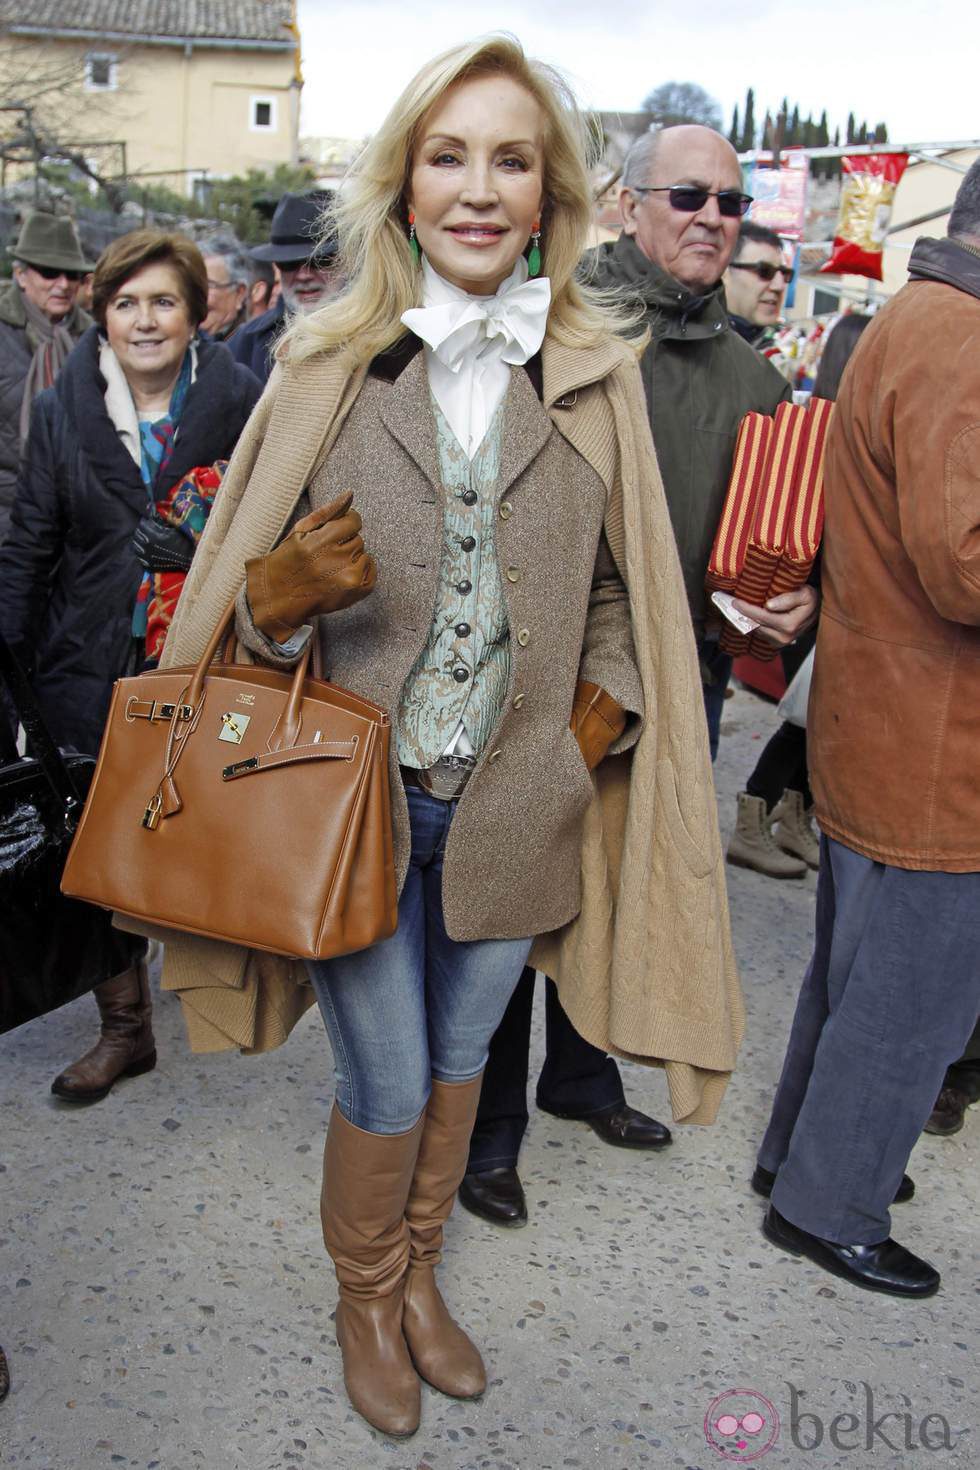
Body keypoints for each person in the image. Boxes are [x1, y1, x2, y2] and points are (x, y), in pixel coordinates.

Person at [156, 36, 741, 1438]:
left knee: (466, 1064)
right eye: (448, 155)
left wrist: (602, 708)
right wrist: (278, 601)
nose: (479, 188)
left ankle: (419, 1278)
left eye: (511, 158)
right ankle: (366, 1296)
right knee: (391, 1073)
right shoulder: (324, 368)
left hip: (520, 800)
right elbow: (240, 617)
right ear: (404, 186)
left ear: (548, 193)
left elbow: (622, 591)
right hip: (351, 805)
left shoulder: (593, 375)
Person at [461, 124, 810, 1230]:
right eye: (690, 195)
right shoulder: (551, 327)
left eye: (730, 204)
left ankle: (580, 1076)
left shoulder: (754, 375)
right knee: (515, 890)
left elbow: (773, 543)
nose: (712, 217)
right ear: (627, 202)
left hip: (681, 676)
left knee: (622, 877)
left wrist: (793, 600)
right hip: (541, 669)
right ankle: (487, 1130)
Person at [755, 161, 980, 1298]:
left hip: (886, 720)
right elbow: (963, 566)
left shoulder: (916, 316)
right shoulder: (965, 337)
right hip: (938, 745)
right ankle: (827, 1204)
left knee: (853, 983)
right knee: (912, 1001)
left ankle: (801, 1160)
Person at [0, 230, 262, 1104]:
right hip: (82, 657)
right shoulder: (64, 407)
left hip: (195, 661)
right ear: (101, 316)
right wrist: (7, 663)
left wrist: (196, 544)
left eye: (162, 302)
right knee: (89, 842)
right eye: (125, 303)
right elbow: (31, 539)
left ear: (196, 314)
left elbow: (284, 522)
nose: (143, 320)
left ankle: (229, 995)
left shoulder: (241, 401)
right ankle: (126, 1028)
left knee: (184, 835)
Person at [727, 312, 872, 881]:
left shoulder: (844, 423)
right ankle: (754, 819)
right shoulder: (825, 428)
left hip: (817, 592)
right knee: (803, 717)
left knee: (817, 718)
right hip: (804, 592)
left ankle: (792, 819)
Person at [0, 210, 92, 539]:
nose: (63, 284)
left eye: (72, 274)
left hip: (75, 525)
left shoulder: (97, 337)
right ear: (21, 275)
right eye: (50, 272)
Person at [230, 191, 343, 382]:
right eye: (289, 263)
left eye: (319, 260)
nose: (304, 275)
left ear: (347, 259)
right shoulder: (246, 342)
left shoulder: (380, 337)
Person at [723, 220, 793, 348]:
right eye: (764, 271)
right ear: (724, 274)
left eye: (784, 273)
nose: (779, 286)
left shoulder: (769, 352)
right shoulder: (694, 350)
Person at [199, 232, 251, 340]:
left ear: (239, 294)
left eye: (208, 285)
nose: (194, 295)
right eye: (190, 283)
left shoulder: (250, 349)